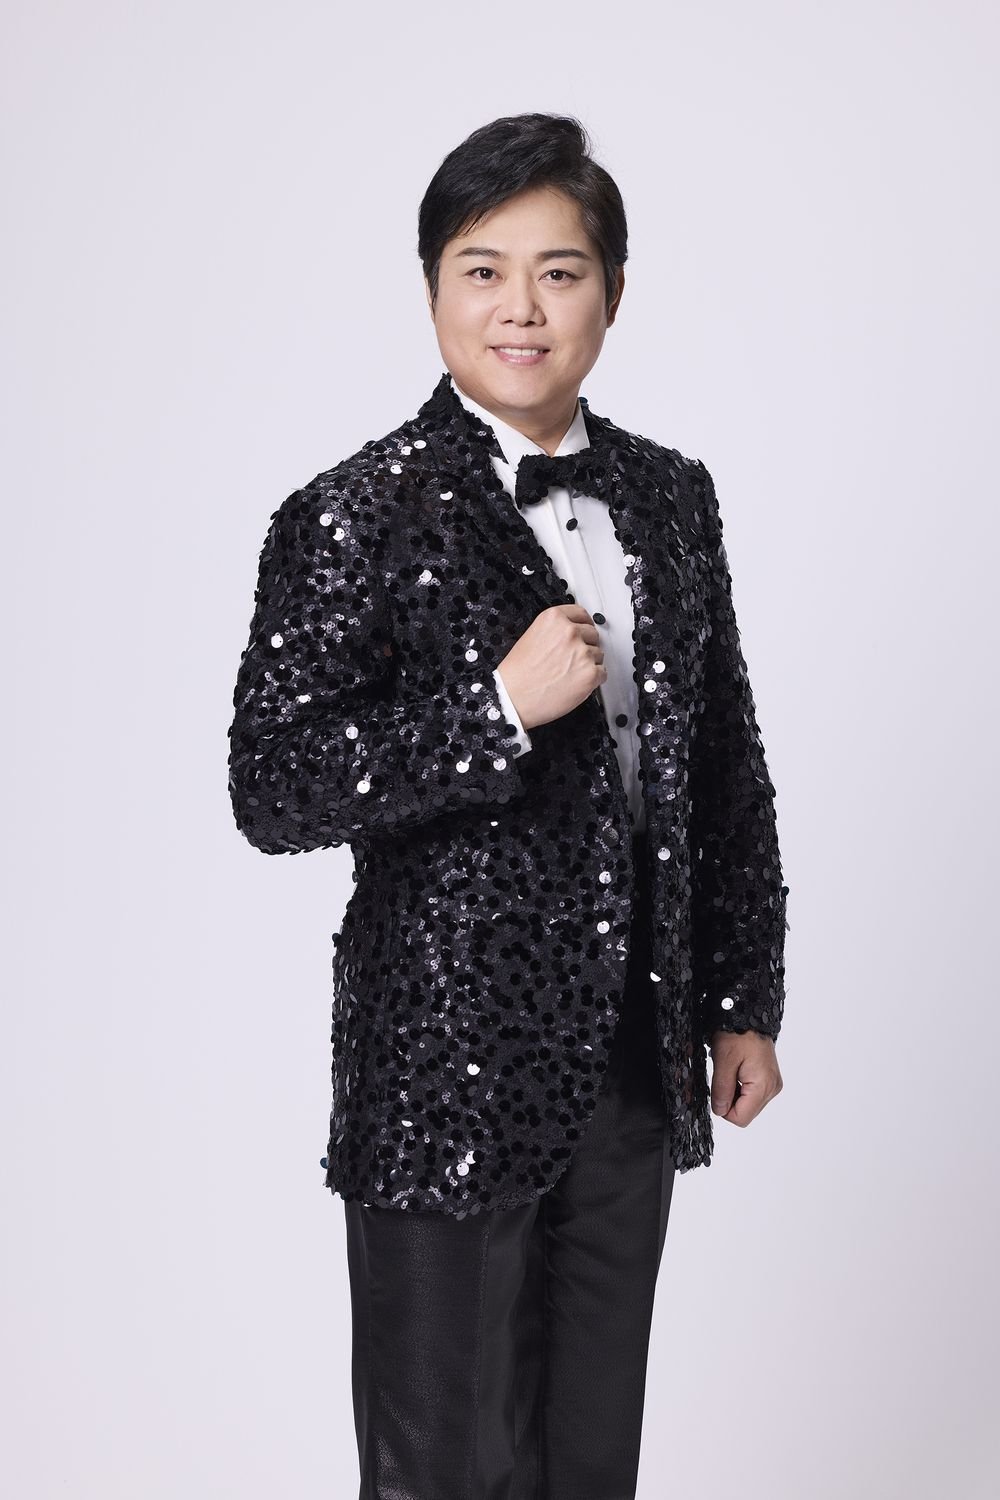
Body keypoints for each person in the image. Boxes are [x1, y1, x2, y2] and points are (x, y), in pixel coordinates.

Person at [227, 111, 788, 1500]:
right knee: (441, 1466)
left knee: (590, 1456)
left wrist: (742, 997)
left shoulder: (670, 496)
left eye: (559, 271)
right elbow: (273, 784)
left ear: (612, 292)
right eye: (483, 271)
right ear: (433, 289)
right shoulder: (353, 510)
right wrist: (495, 708)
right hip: (442, 1068)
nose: (521, 308)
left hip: (632, 1057)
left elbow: (723, 762)